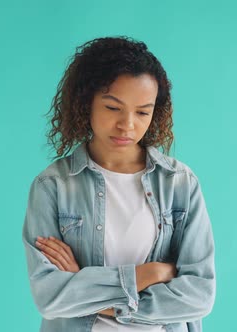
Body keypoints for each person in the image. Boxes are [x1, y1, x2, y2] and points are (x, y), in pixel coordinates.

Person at [22, 36, 216, 332]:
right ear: (85, 102)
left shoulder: (180, 183)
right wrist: (147, 273)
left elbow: (199, 296)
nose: (127, 124)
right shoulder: (53, 186)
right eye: (113, 108)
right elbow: (50, 296)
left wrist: (87, 287)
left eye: (142, 112)